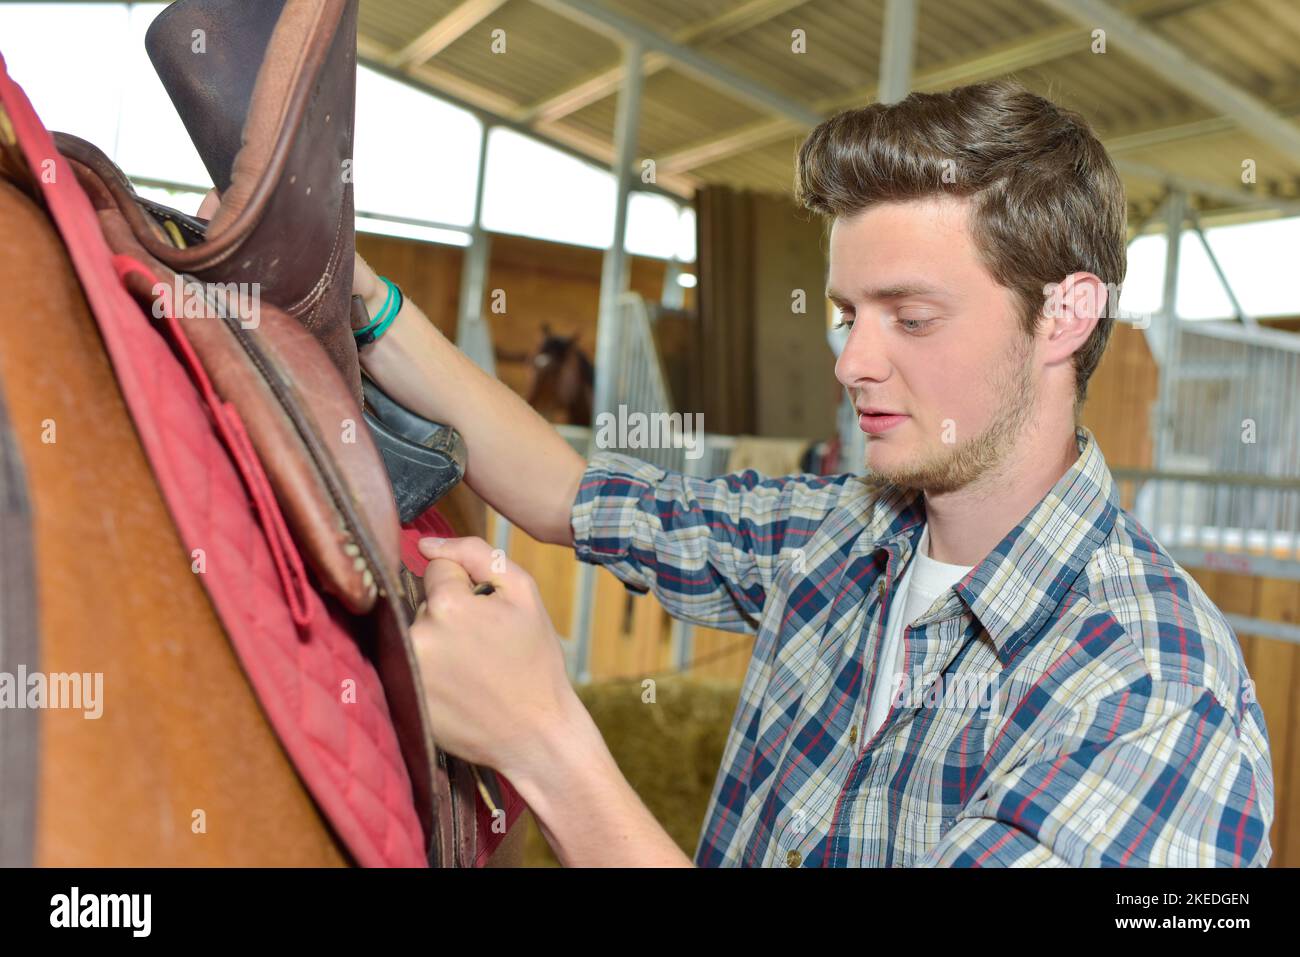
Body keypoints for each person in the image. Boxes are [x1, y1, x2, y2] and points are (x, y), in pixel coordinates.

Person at [356, 79, 1274, 867]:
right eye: (847, 314)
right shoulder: (838, 534)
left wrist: (542, 743)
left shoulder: (1153, 691)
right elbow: (568, 495)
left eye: (911, 318)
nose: (851, 363)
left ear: (1065, 318)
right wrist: (372, 311)